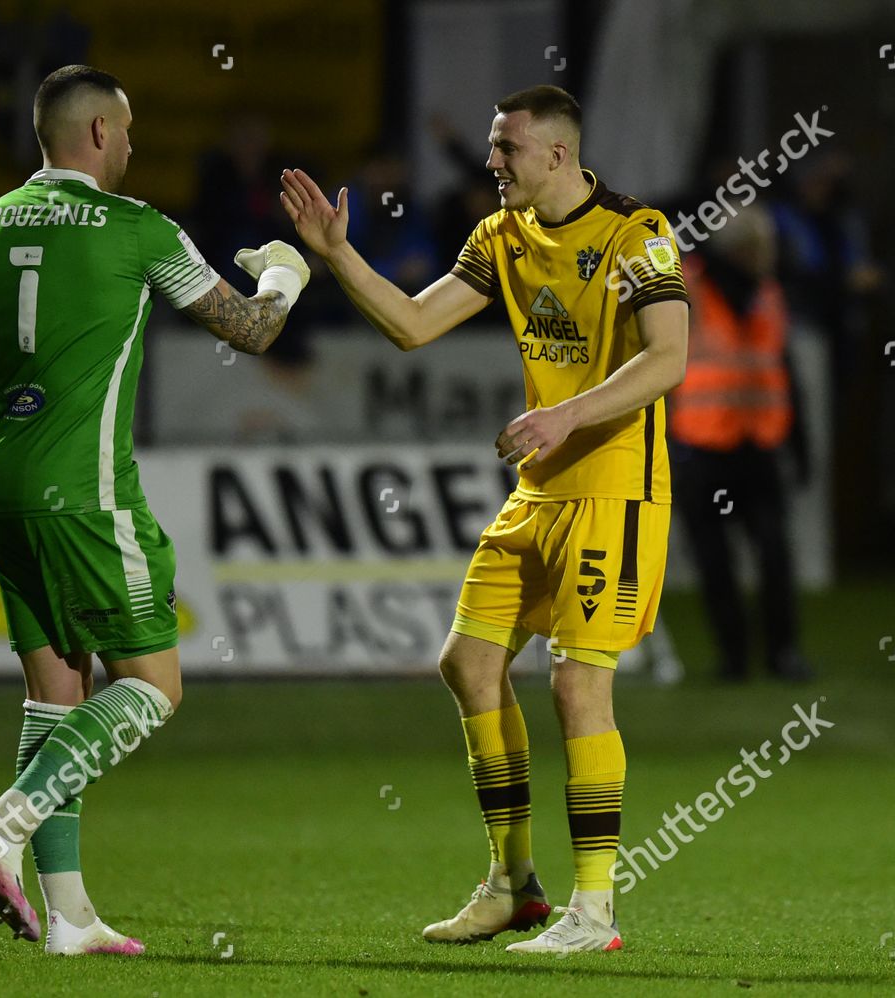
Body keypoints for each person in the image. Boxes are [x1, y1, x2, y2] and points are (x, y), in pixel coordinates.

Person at [0, 65, 309, 956]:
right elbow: (250, 333)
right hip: (86, 490)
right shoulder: (138, 228)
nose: (133, 146)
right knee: (149, 686)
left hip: (1, 486)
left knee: (56, 694)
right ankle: (2, 825)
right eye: (128, 130)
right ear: (99, 133)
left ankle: (70, 917)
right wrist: (285, 277)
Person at [281, 84, 689, 954]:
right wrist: (337, 257)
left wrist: (567, 415)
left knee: (578, 685)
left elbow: (671, 358)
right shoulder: (500, 236)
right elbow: (414, 325)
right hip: (539, 489)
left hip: (613, 491)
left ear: (557, 155)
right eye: (493, 147)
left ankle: (595, 911)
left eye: (507, 147)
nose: (491, 160)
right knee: (468, 664)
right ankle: (512, 885)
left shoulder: (636, 233)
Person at [668, 203, 813, 683]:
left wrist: (799, 443)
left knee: (775, 555)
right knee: (716, 562)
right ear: (742, 249)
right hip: (703, 446)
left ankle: (781, 653)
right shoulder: (687, 286)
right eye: (760, 247)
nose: (768, 256)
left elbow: (782, 369)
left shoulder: (768, 293)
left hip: (758, 444)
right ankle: (734, 658)